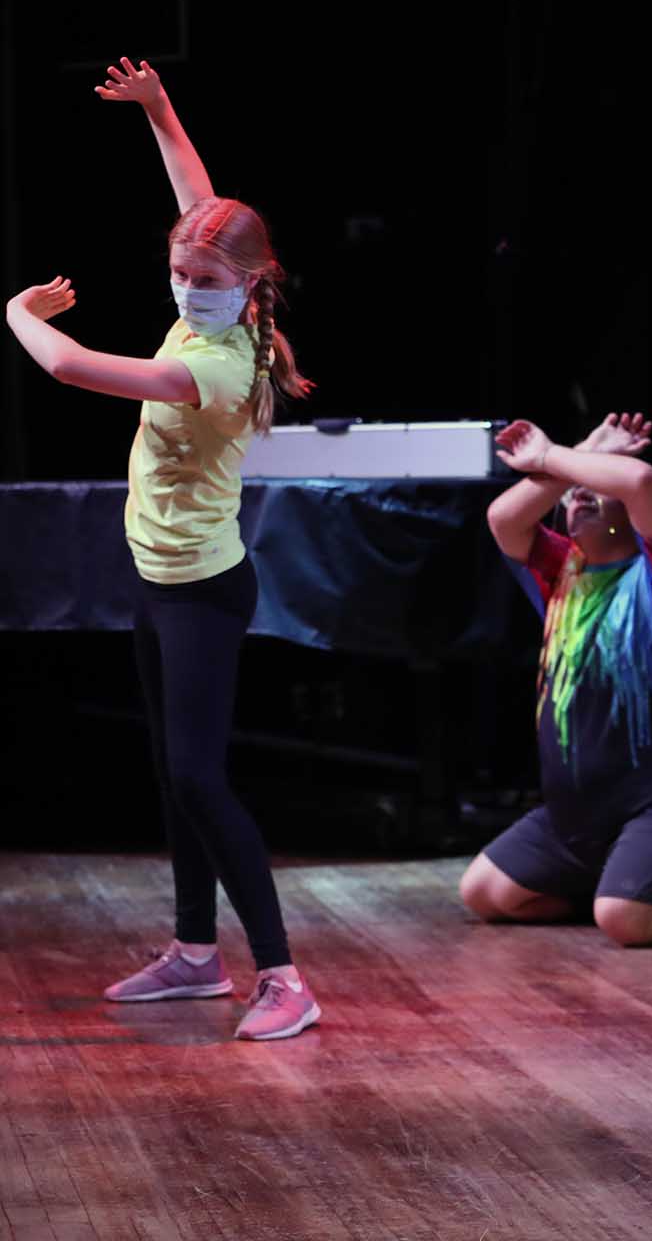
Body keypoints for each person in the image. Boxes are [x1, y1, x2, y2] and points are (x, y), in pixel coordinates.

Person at [6, 57, 321, 1040]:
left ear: (253, 283)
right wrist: (160, 108)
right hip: (157, 576)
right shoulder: (233, 294)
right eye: (179, 273)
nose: (188, 288)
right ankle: (194, 953)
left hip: (201, 590)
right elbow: (202, 203)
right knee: (172, 765)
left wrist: (16, 311)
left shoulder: (215, 369)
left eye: (206, 279)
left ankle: (284, 976)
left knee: (198, 775)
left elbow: (63, 364)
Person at [457, 412, 652, 946]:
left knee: (625, 922)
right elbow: (504, 516)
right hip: (578, 814)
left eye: (596, 488)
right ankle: (617, 886)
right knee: (485, 893)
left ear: (631, 517)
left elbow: (643, 482)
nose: (579, 496)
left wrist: (552, 456)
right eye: (571, 492)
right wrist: (585, 449)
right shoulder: (562, 572)